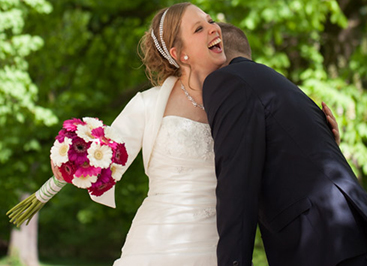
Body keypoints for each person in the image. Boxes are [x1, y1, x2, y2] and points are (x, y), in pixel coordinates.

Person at [50, 4, 340, 265]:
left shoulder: (246, 100)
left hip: (220, 247)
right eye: (199, 28)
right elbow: (104, 165)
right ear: (179, 54)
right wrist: (70, 167)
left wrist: (323, 142)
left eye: (210, 21)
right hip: (154, 245)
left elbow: (273, 166)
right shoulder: (149, 104)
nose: (214, 28)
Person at [202, 22, 367, 266]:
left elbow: (237, 182)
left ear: (219, 51)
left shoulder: (227, 80)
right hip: (350, 231)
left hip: (321, 240)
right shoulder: (274, 82)